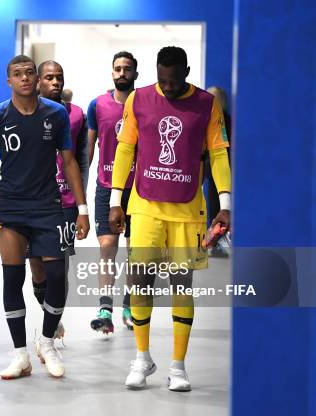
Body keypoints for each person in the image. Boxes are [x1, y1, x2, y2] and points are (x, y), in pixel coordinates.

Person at [109, 46, 231, 391]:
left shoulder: (207, 104)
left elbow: (219, 153)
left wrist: (226, 202)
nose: (168, 87)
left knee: (181, 286)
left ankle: (178, 366)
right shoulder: (139, 99)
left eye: (175, 81)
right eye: (162, 80)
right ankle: (142, 358)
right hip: (145, 204)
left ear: (187, 72)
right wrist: (116, 199)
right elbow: (125, 148)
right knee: (141, 282)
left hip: (188, 210)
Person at [0, 55, 89, 379]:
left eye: (29, 73)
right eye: (17, 74)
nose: (24, 78)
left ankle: (47, 342)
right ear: (8, 80)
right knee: (13, 279)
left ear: (37, 80)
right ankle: (19, 355)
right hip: (10, 209)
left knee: (56, 277)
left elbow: (70, 164)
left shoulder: (56, 114)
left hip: (48, 206)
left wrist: (81, 210)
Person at [28, 60, 88, 341]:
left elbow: (81, 162)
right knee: (37, 267)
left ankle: (49, 330)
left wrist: (81, 206)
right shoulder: (23, 112)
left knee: (58, 269)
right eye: (49, 78)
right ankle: (48, 312)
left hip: (64, 202)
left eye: (59, 77)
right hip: (30, 202)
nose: (55, 83)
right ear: (38, 81)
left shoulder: (76, 115)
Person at [86, 51, 139, 333]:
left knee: (134, 251)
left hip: (139, 189)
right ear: (112, 73)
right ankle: (105, 307)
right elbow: (88, 149)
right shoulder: (97, 105)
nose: (121, 73)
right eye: (117, 68)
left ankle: (129, 306)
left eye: (126, 69)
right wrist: (80, 195)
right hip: (106, 187)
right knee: (108, 246)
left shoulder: (144, 104)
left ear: (135, 74)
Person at [205, 86, 232, 257]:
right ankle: (214, 241)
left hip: (224, 169)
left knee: (219, 205)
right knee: (213, 204)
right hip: (209, 167)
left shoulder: (225, 120)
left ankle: (216, 240)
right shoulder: (208, 118)